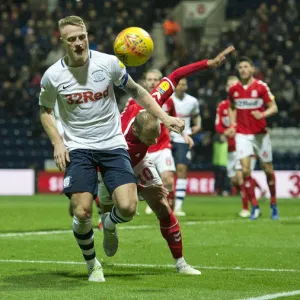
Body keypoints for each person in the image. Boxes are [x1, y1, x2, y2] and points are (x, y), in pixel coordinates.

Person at [39, 16, 184, 283]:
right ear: (63, 42)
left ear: (87, 35)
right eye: (72, 39)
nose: (79, 43)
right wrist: (58, 142)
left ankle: (108, 223)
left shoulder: (108, 63)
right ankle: (93, 264)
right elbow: (45, 111)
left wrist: (165, 118)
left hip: (112, 144)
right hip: (78, 147)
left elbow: (139, 92)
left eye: (82, 36)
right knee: (81, 211)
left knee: (128, 208)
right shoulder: (52, 76)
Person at [97, 45, 235, 274]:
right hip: (112, 164)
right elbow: (115, 167)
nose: (153, 142)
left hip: (139, 161)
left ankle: (181, 263)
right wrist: (141, 188)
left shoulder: (152, 101)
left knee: (163, 207)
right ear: (138, 134)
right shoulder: (119, 141)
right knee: (118, 208)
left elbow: (175, 75)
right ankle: (109, 225)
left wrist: (207, 63)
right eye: (150, 139)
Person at [228, 57, 279, 220]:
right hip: (243, 135)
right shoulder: (233, 89)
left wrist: (262, 114)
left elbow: (274, 108)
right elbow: (231, 106)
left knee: (268, 170)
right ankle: (255, 206)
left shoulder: (261, 87)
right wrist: (233, 124)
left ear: (252, 70)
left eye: (246, 67)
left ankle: (273, 203)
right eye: (240, 67)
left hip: (260, 135)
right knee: (245, 171)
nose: (243, 69)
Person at [215, 76, 265, 217]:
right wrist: (225, 131)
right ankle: (258, 193)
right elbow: (218, 125)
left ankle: (247, 208)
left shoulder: (245, 105)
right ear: (227, 88)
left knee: (241, 175)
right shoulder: (222, 106)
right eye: (229, 84)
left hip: (244, 146)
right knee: (235, 180)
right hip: (230, 148)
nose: (232, 86)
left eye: (234, 84)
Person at [171, 78, 202, 216]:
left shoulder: (192, 101)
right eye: (179, 84)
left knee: (182, 169)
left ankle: (178, 206)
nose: (182, 86)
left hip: (184, 139)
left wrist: (198, 125)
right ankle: (157, 202)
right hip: (168, 138)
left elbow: (196, 116)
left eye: (184, 84)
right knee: (164, 171)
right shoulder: (168, 99)